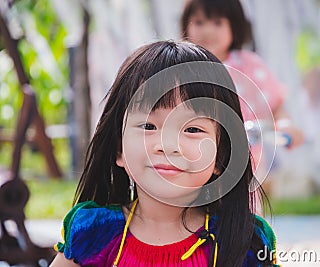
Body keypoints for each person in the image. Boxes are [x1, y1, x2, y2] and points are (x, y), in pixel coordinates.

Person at [50, 41, 279, 266]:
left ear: (221, 156)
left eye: (192, 129)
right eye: (149, 126)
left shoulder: (247, 243)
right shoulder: (93, 233)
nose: (168, 146)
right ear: (119, 148)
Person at [180, 0, 303, 186]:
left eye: (217, 23)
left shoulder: (249, 66)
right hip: (193, 162)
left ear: (235, 25)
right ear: (185, 25)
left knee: (242, 210)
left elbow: (276, 106)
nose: (207, 30)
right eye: (199, 22)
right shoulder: (181, 68)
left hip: (246, 165)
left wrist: (285, 125)